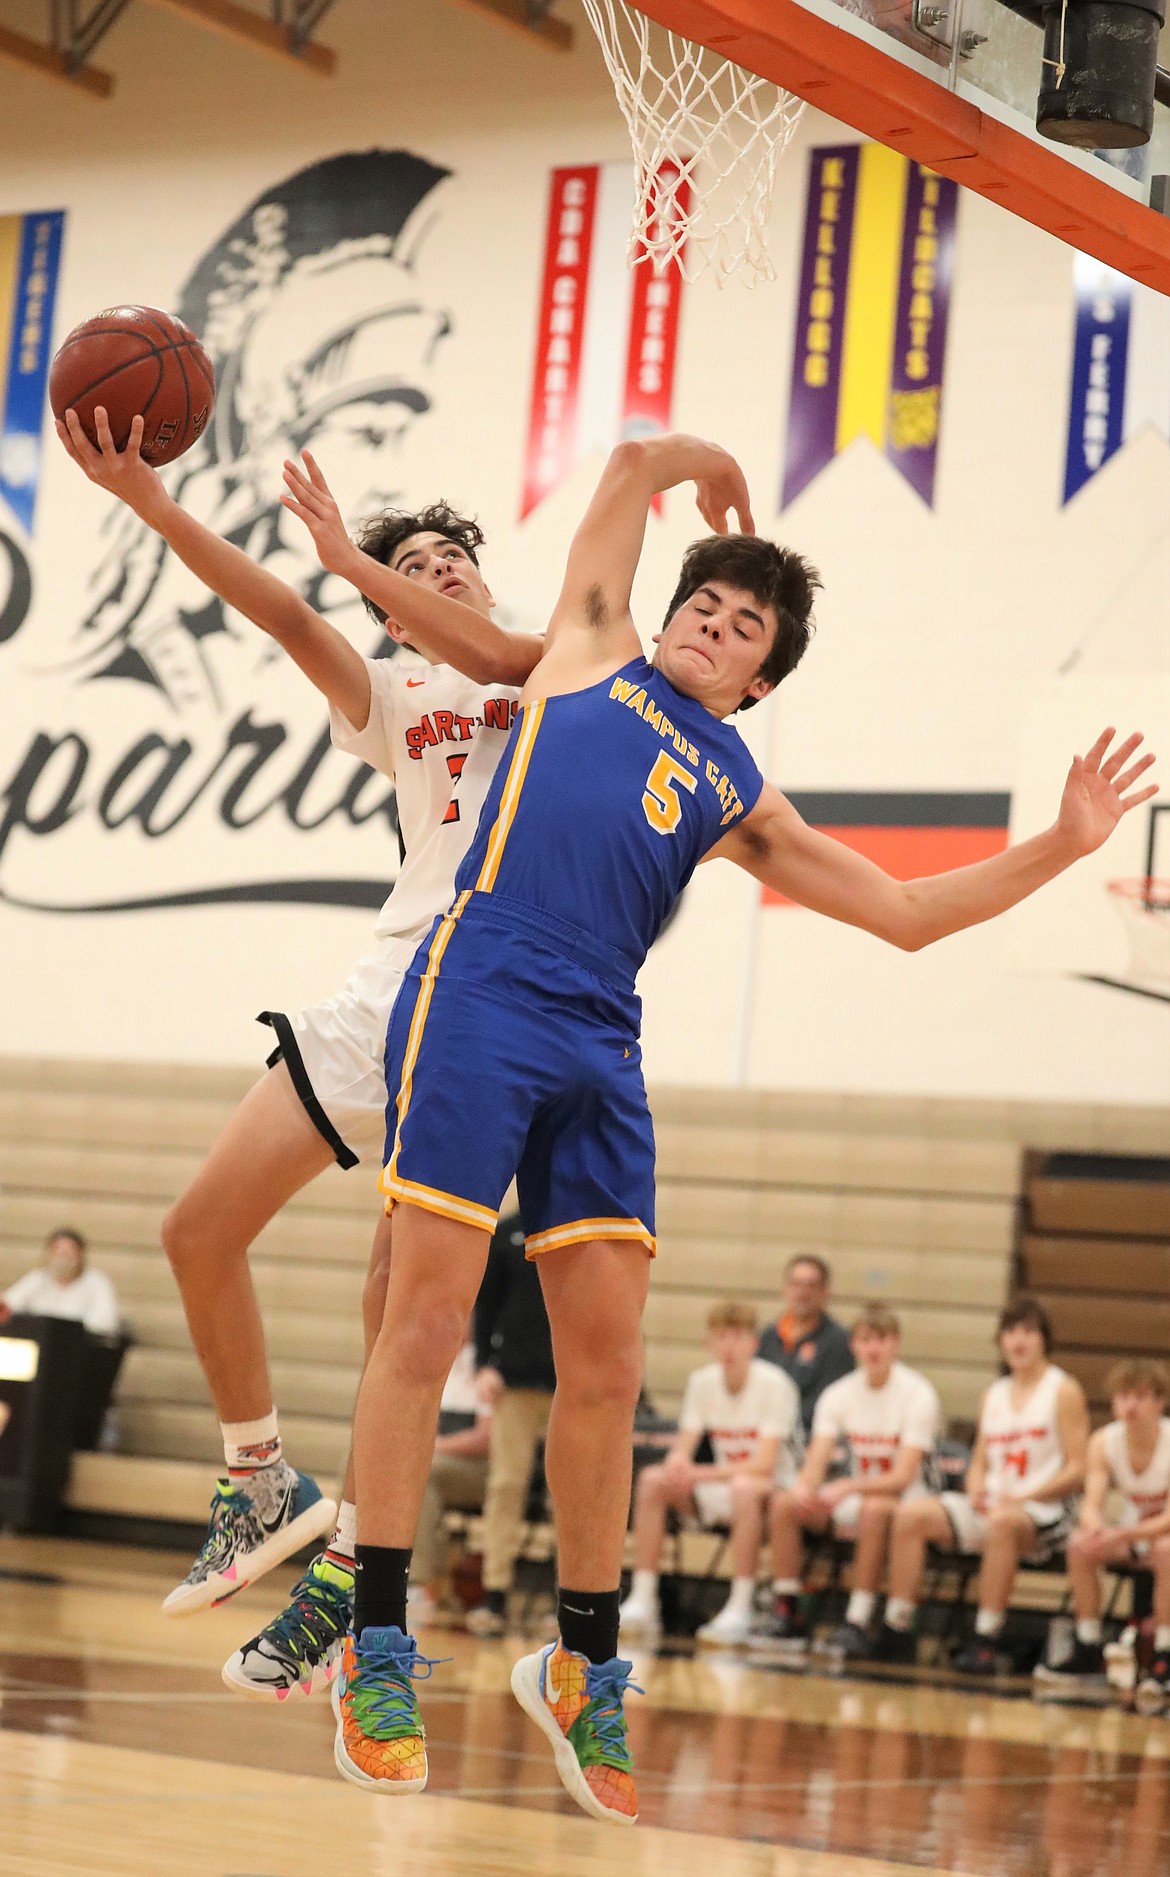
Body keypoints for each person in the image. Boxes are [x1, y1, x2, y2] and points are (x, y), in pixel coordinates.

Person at [284, 426, 1154, 1819]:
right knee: (427, 1325)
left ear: (756, 679)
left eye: (743, 623)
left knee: (612, 1364)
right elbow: (627, 465)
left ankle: (579, 1662)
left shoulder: (734, 785)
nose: (712, 621)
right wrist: (704, 467)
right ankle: (376, 1642)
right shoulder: (582, 642)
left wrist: (1059, 842)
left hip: (600, 1034)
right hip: (482, 983)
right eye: (703, 599)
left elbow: (908, 914)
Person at [57, 406, 542, 1665]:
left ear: (486, 582)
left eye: (455, 562)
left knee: (402, 1316)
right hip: (385, 989)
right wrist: (152, 504)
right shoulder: (392, 686)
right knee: (195, 1228)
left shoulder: (552, 672)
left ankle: (351, 1572)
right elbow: (281, 614)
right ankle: (258, 1477)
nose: (439, 576)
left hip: (492, 1011)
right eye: (416, 569)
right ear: (387, 608)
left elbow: (527, 655)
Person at [874, 1298, 1091, 1672]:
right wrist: (974, 1488)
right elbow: (979, 1461)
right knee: (911, 1514)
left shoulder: (1063, 1390)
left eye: (1028, 1332)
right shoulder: (994, 1394)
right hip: (993, 1505)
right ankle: (898, 1627)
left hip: (1043, 1513)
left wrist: (1027, 1495)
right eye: (1010, 1332)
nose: (1018, 1341)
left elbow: (1078, 1468)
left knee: (1003, 1522)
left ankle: (986, 1638)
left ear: (1044, 1340)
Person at [618, 1300, 799, 1647]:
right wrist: (677, 1465)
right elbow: (683, 1447)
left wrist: (699, 1475)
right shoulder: (702, 1382)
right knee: (653, 1480)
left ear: (753, 1343)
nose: (729, 1345)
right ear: (709, 1343)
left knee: (745, 1487)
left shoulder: (775, 1384)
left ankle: (741, 1604)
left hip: (772, 1491)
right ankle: (643, 1598)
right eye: (720, 1337)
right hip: (723, 1485)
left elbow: (765, 1464)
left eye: (737, 1336)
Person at [766, 1304, 939, 1660]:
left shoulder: (918, 1394)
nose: (873, 1348)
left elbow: (903, 1477)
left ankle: (857, 1619)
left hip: (909, 1499)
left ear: (896, 1344)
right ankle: (787, 1606)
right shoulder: (839, 1394)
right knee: (785, 1502)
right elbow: (816, 1460)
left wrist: (846, 1487)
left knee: (873, 1509)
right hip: (858, 1494)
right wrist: (804, 1488)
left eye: (881, 1339)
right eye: (865, 1340)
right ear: (854, 1346)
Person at [1033, 1357, 1170, 1710]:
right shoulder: (1103, 1442)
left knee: (1166, 1549)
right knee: (1080, 1545)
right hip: (1132, 1533)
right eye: (1124, 1396)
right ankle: (1089, 1645)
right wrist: (1095, 1527)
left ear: (1160, 1402)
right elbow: (1091, 1503)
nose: (1131, 1405)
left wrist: (1122, 1535)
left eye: (1141, 1397)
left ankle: (1164, 1655)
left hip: (1159, 1536)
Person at [465, 1208, 558, 1639]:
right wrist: (483, 1363)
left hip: (571, 1388)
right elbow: (486, 1302)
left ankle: (570, 1599)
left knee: (570, 1494)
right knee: (506, 1484)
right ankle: (495, 1594)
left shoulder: (585, 1218)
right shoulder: (506, 1233)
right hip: (514, 1383)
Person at [405, 1333, 493, 1630]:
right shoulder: (433, 1355)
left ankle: (415, 1584)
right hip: (436, 1455)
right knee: (358, 1461)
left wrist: (433, 1446)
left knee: (425, 1473)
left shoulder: (487, 1363)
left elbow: (486, 1439)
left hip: (478, 1469)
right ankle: (345, 1565)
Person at [757, 1255, 854, 1434]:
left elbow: (827, 1401)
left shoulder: (839, 1341)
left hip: (811, 1438)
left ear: (825, 1292)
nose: (802, 1292)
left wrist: (779, 1424)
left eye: (811, 1286)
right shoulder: (767, 1337)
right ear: (785, 1290)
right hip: (763, 1434)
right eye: (795, 1284)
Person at [0, 1228, 119, 1335]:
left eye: (69, 1252)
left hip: (78, 1348)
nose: (63, 1257)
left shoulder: (96, 1282)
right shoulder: (37, 1279)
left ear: (80, 1255)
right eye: (58, 1251)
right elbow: (8, 1306)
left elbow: (106, 1322)